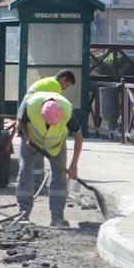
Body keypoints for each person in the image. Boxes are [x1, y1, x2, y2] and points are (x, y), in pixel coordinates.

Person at [16, 91, 84, 228]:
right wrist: (28, 138)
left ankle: (57, 217)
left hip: (56, 144)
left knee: (59, 176)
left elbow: (78, 136)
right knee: (25, 171)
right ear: (41, 114)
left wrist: (74, 165)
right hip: (32, 140)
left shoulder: (67, 111)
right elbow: (20, 122)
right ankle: (23, 213)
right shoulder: (30, 105)